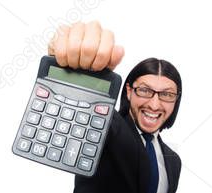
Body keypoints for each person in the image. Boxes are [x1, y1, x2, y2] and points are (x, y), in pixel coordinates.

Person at [48, 21, 184, 193]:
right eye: (144, 90)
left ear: (176, 100)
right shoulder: (107, 127)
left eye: (166, 94)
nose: (154, 104)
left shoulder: (174, 161)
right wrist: (70, 64)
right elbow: (81, 111)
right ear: (128, 92)